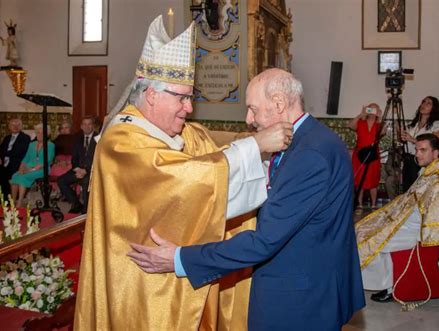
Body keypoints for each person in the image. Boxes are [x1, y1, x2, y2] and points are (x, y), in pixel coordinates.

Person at [74, 16, 293, 331]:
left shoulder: (183, 132)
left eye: (190, 97)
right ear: (151, 95)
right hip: (143, 289)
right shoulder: (120, 142)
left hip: (181, 276)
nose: (189, 108)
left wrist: (264, 151)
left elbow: (214, 159)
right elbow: (182, 181)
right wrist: (256, 143)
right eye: (182, 97)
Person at [128, 68, 366, 330]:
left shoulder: (310, 154)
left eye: (253, 109)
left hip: (298, 300)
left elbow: (263, 242)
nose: (248, 119)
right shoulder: (311, 139)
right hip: (308, 284)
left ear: (278, 103)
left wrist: (179, 259)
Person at [356, 133, 439, 303]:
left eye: (423, 150)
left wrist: (422, 239)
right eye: (417, 149)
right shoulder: (428, 171)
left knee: (372, 241)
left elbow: (436, 215)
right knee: (361, 228)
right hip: (406, 220)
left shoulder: (438, 179)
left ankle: (388, 286)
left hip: (418, 230)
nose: (417, 154)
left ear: (436, 153)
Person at [0, 118, 31, 202]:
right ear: (9, 127)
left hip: (16, 166)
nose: (15, 126)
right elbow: (0, 150)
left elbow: (16, 152)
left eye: (18, 125)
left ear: (21, 126)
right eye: (13, 125)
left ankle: (5, 200)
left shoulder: (25, 138)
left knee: (2, 175)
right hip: (4, 165)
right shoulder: (7, 138)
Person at [348, 103, 384, 211]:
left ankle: (373, 204)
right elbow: (350, 125)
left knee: (373, 180)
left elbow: (383, 132)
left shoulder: (379, 125)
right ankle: (359, 204)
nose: (372, 111)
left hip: (373, 156)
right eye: (370, 108)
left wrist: (380, 117)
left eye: (375, 109)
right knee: (359, 181)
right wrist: (361, 114)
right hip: (359, 155)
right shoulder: (360, 122)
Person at [400, 96, 439, 192]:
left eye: (428, 103)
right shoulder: (412, 125)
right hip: (408, 161)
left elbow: (435, 141)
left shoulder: (437, 124)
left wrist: (413, 140)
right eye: (423, 102)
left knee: (419, 191)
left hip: (423, 163)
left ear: (434, 108)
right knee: (407, 191)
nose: (424, 104)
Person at [57, 116, 97, 214]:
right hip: (78, 169)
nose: (87, 126)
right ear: (81, 126)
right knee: (61, 180)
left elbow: (97, 159)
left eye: (89, 124)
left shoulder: (98, 138)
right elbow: (74, 158)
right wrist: (77, 169)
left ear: (93, 126)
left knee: (85, 181)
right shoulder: (77, 138)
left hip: (92, 171)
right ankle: (76, 203)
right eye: (84, 124)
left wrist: (85, 171)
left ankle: (86, 210)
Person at [10, 123, 55, 208]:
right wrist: (21, 167)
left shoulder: (50, 145)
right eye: (37, 132)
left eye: (42, 133)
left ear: (47, 134)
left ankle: (20, 202)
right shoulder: (32, 144)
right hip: (28, 167)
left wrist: (32, 169)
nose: (39, 135)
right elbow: (26, 158)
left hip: (42, 169)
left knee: (23, 177)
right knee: (15, 176)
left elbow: (48, 161)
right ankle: (13, 201)